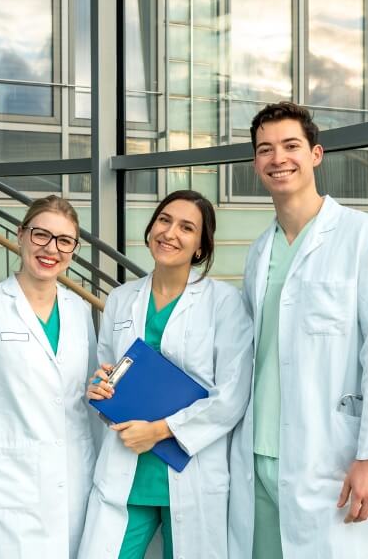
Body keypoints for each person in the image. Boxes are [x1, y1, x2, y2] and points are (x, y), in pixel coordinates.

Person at [228, 102, 368, 558]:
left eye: (290, 146)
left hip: (330, 459)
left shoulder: (366, 238)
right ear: (256, 164)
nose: (278, 158)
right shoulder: (259, 252)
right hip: (258, 455)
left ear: (315, 154)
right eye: (265, 149)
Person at [77, 190, 253, 559]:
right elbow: (108, 371)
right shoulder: (122, 299)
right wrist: (99, 388)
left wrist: (159, 431)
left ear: (200, 248)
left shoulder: (224, 302)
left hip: (191, 469)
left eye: (186, 228)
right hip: (126, 471)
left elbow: (232, 394)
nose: (170, 233)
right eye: (164, 220)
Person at [0, 195, 98, 559]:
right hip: (7, 490)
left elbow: (86, 402)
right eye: (41, 235)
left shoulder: (79, 310)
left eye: (64, 241)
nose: (51, 249)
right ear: (21, 235)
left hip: (76, 483)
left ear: (73, 250)